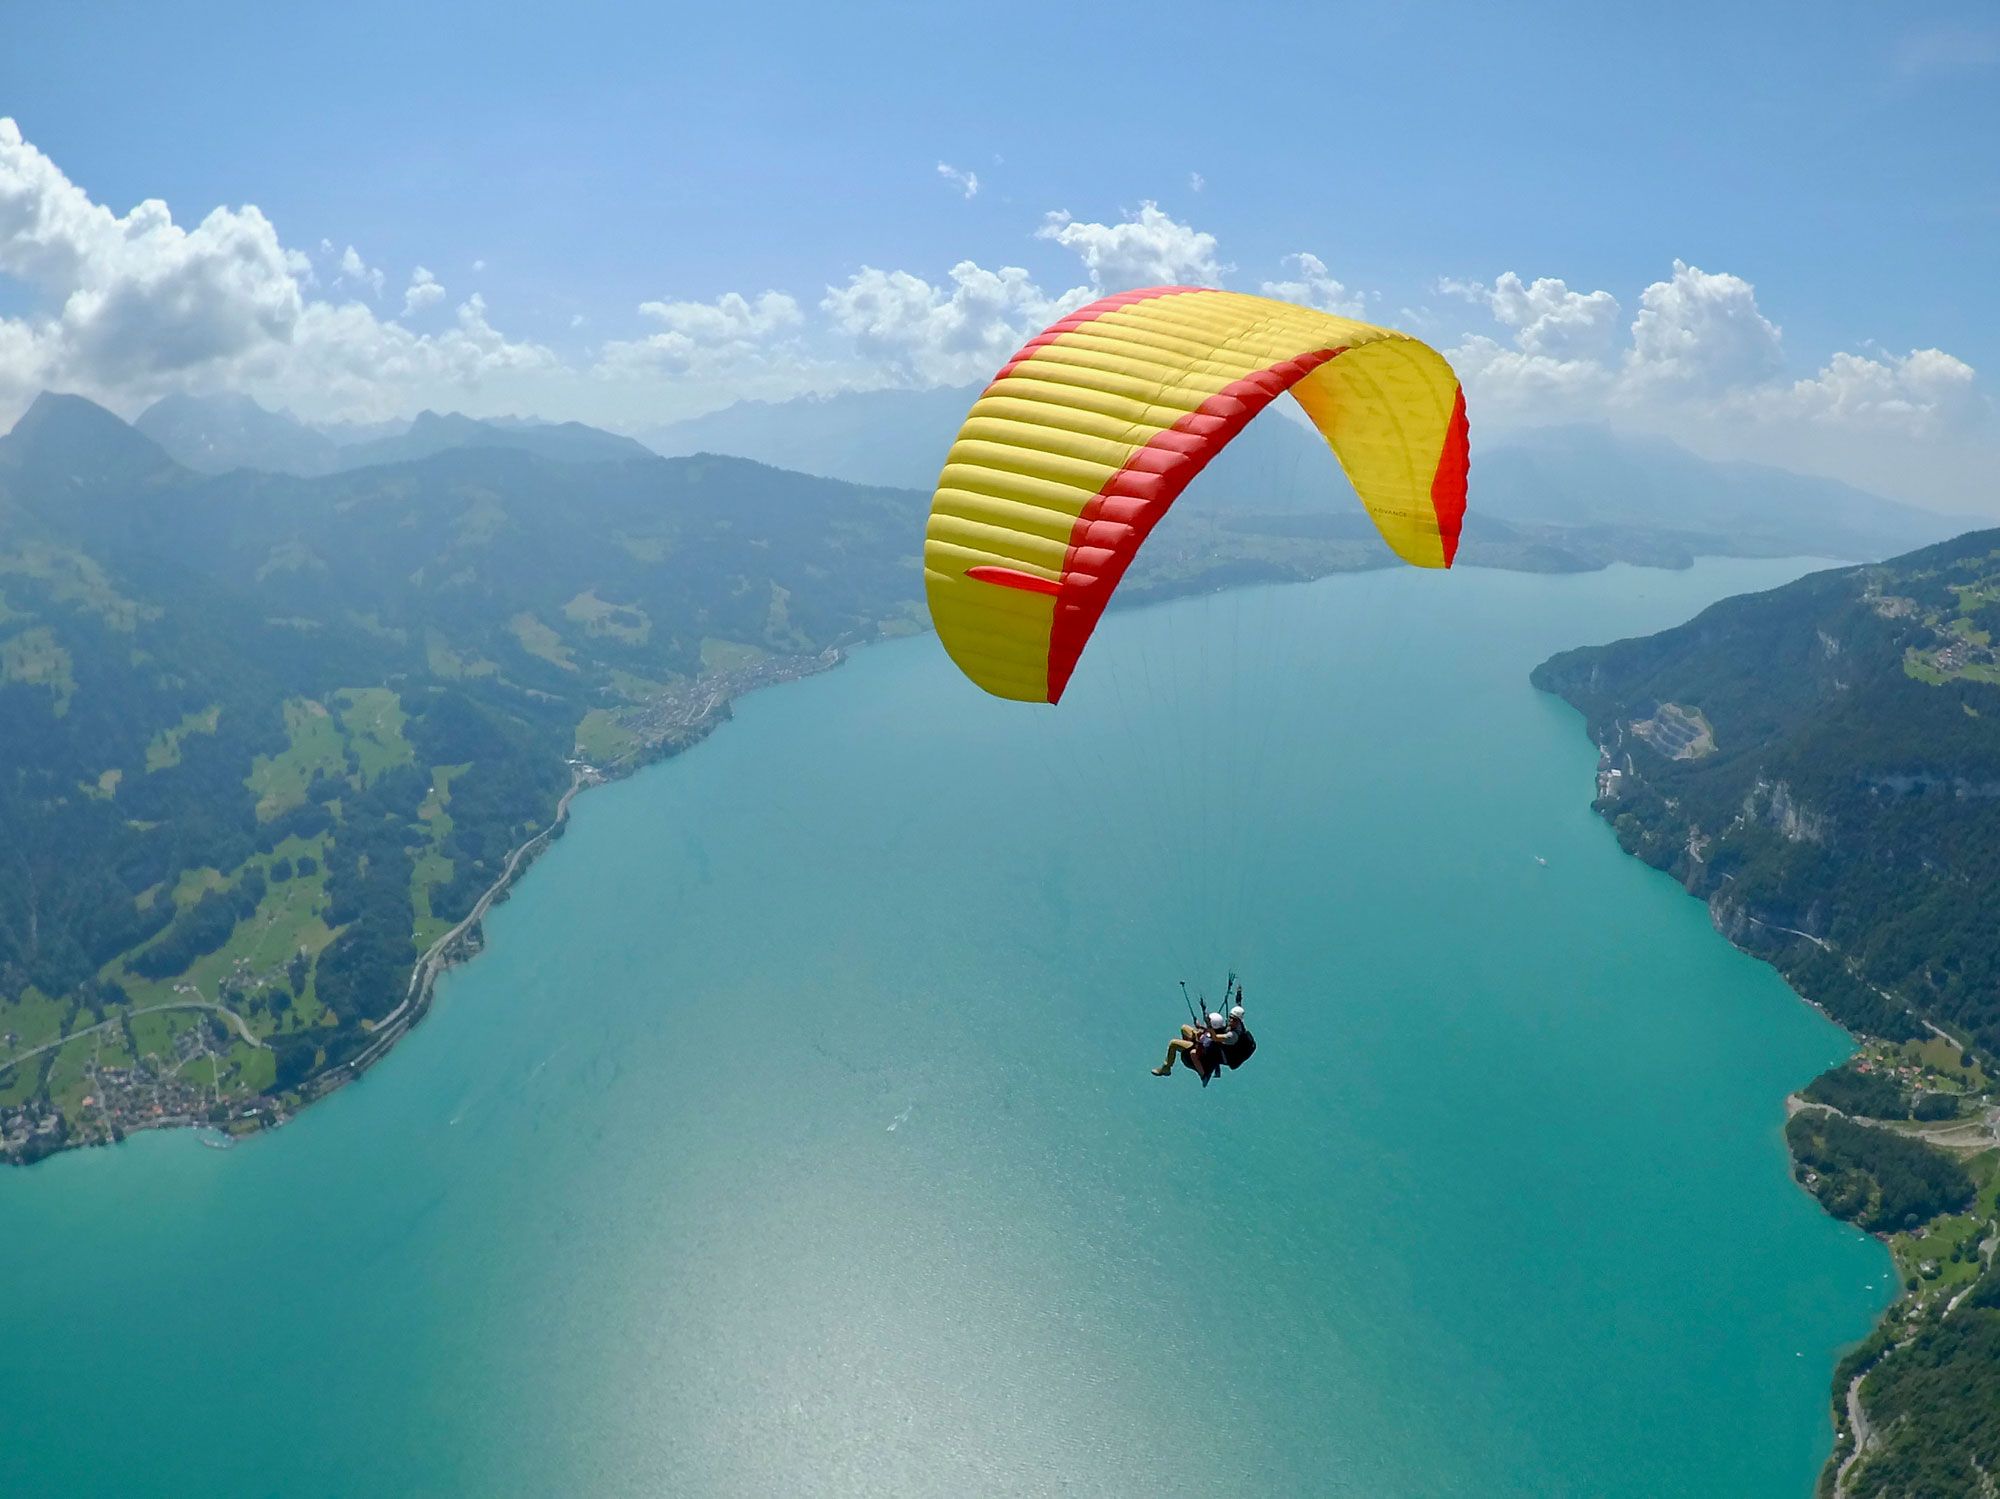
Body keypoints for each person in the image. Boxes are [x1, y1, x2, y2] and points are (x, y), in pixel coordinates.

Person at [1151, 1010, 1227, 1080]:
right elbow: (1207, 1032)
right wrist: (1199, 1028)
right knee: (1184, 1028)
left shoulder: (1211, 1039)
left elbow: (1200, 1046)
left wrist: (1198, 1035)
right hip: (1200, 1042)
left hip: (1198, 1051)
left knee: (1173, 1043)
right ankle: (1184, 1046)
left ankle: (1166, 1068)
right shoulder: (1217, 1030)